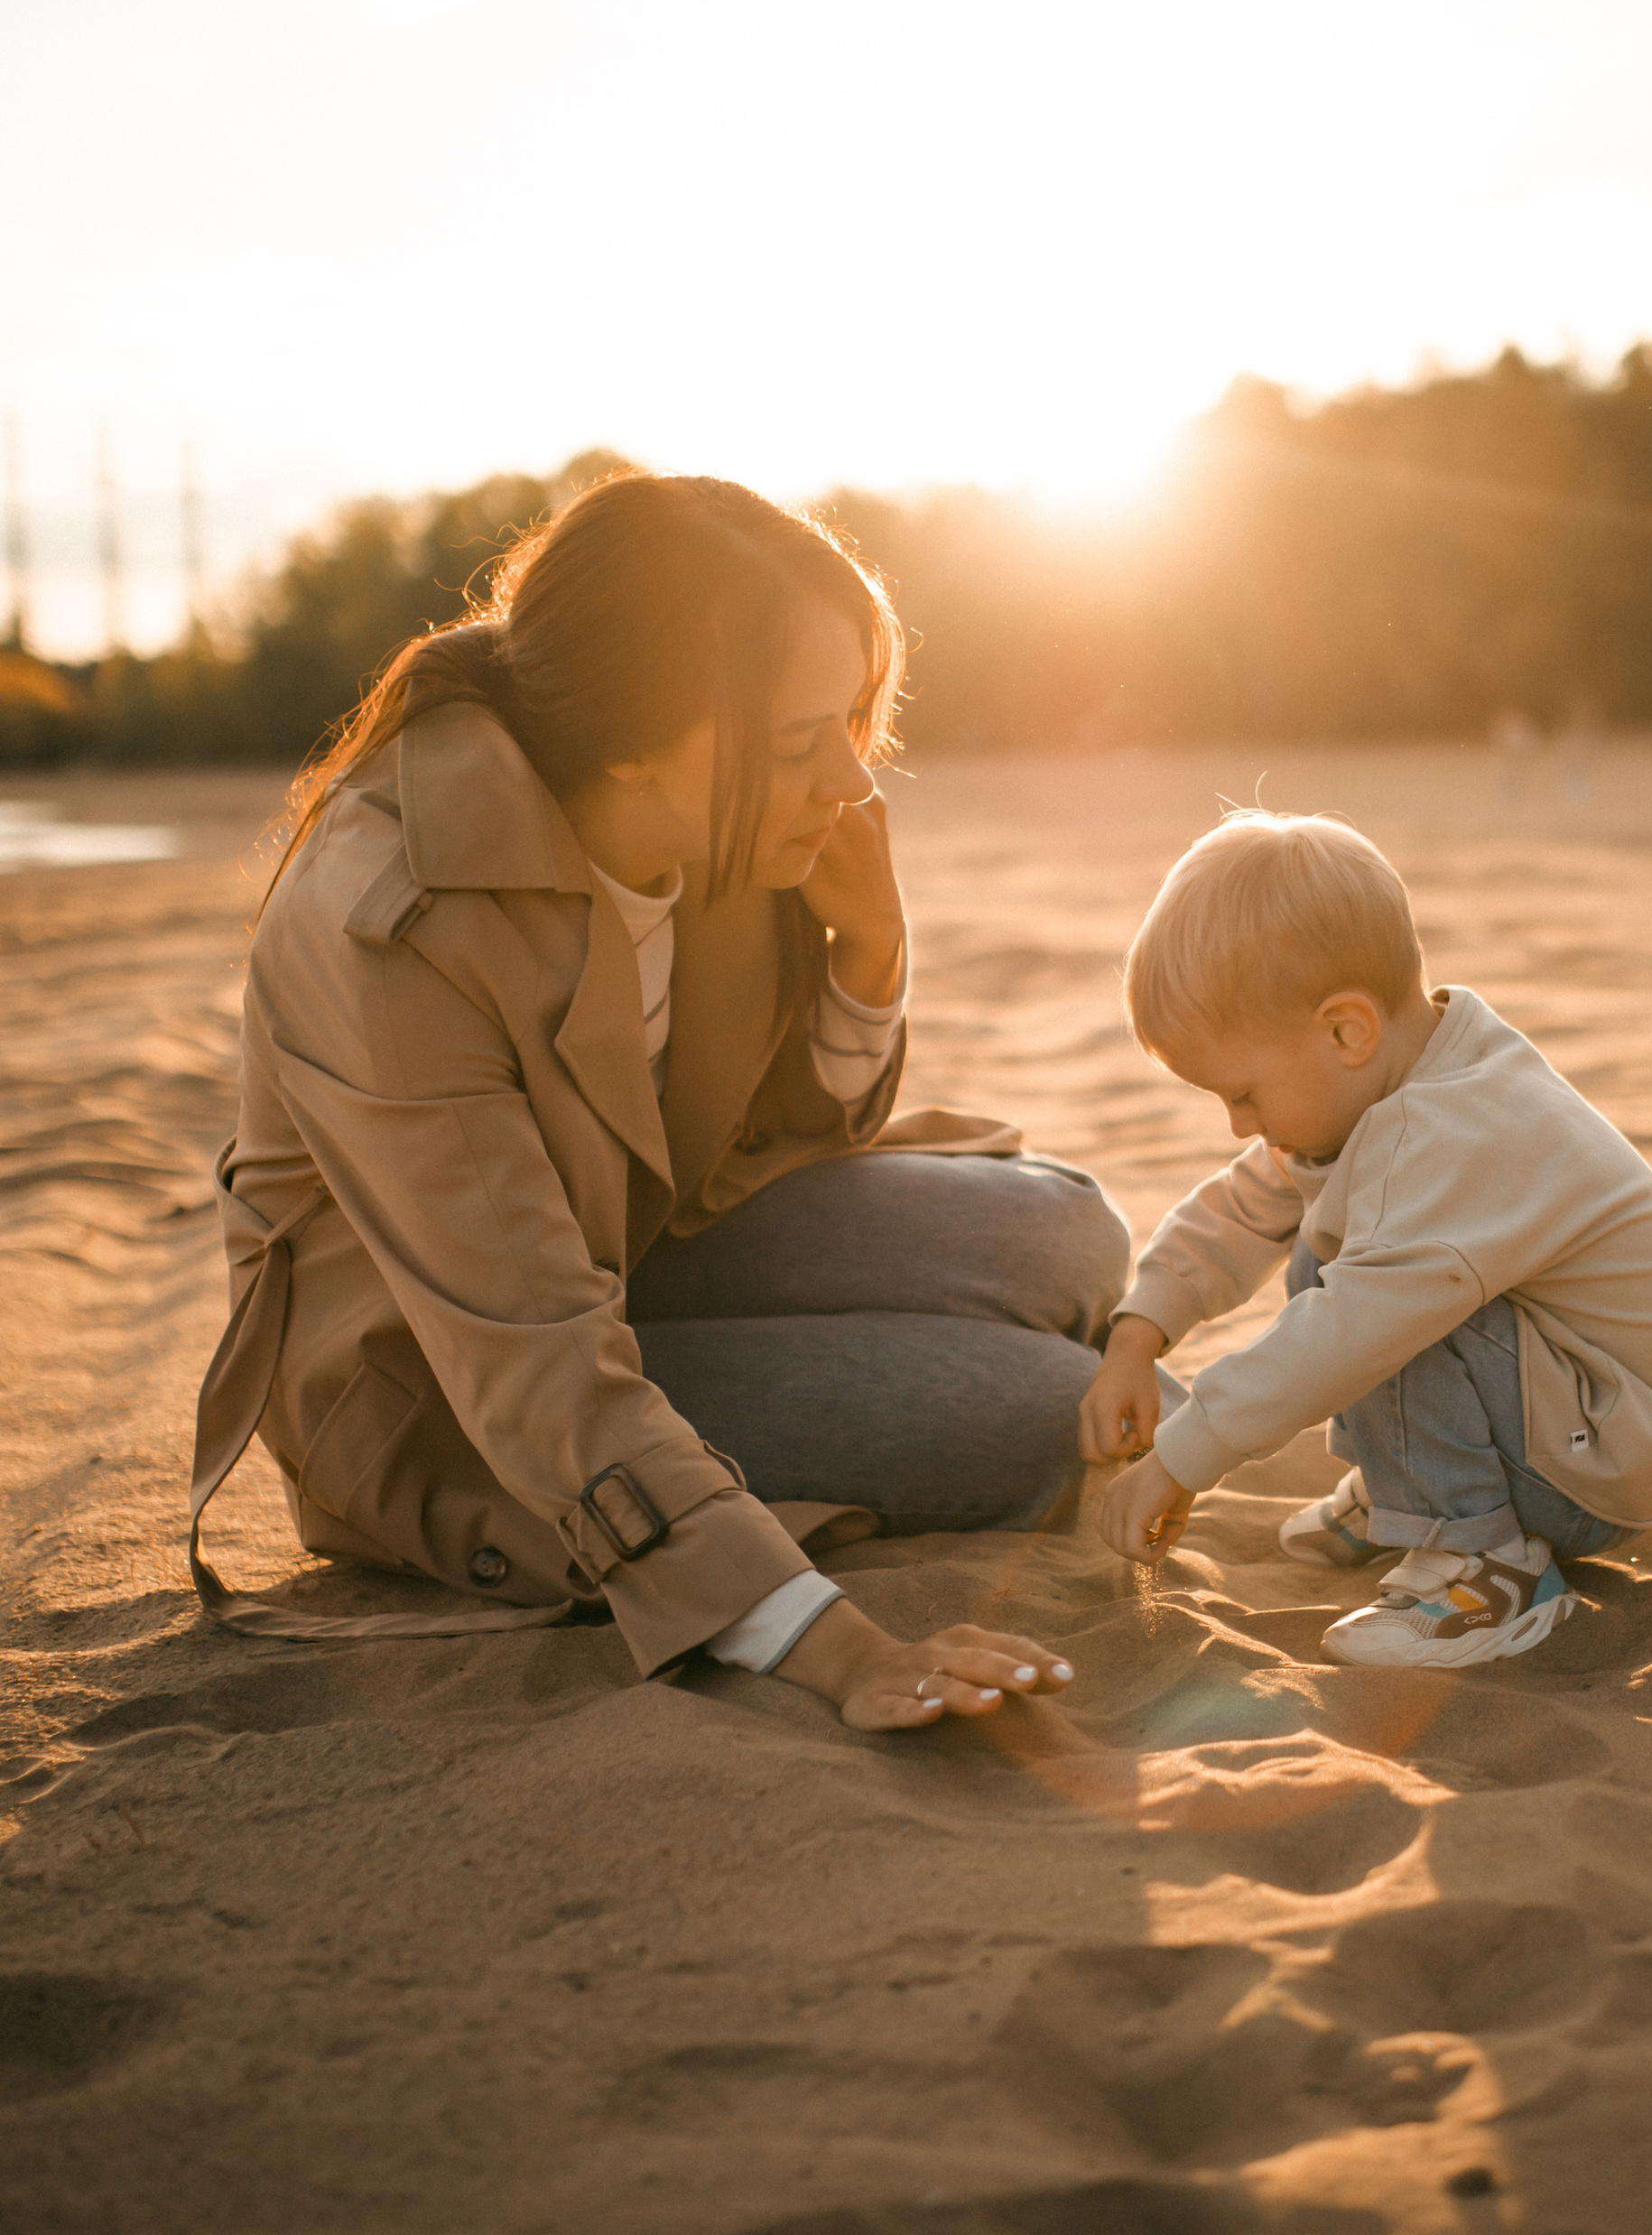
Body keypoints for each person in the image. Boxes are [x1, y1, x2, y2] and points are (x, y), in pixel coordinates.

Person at [195, 470, 1138, 1730]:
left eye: (858, 724)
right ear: (637, 743)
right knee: (1042, 1412)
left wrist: (865, 960)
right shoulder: (392, 924)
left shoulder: (706, 823)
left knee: (1070, 1233)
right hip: (451, 1391)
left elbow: (759, 1140)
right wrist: (834, 1646)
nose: (855, 786)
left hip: (633, 1245)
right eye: (805, 742)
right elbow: (533, 1357)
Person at [1079, 811, 1652, 1667]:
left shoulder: (1452, 1131)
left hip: (1597, 1464)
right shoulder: (1385, 1082)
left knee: (1372, 1294)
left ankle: (1485, 1563)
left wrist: (1183, 1457)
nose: (1238, 1126)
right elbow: (1242, 1206)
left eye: (1242, 1093)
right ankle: (1412, 1491)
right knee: (1342, 1250)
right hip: (1564, 1416)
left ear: (1348, 1031)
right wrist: (1138, 1332)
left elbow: (1348, 1334)